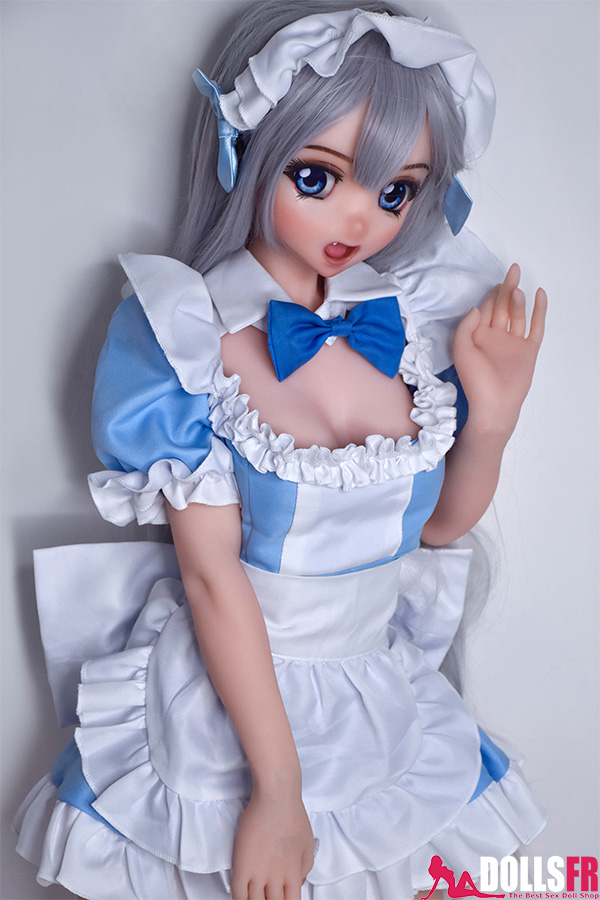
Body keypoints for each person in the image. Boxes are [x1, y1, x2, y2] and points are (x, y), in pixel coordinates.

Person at [13, 2, 548, 898]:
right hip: (233, 711)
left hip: (377, 695)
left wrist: (491, 420)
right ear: (246, 153)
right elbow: (210, 576)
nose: (359, 220)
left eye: (394, 191)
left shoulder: (412, 329)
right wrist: (279, 789)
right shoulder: (188, 338)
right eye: (316, 176)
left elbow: (434, 532)